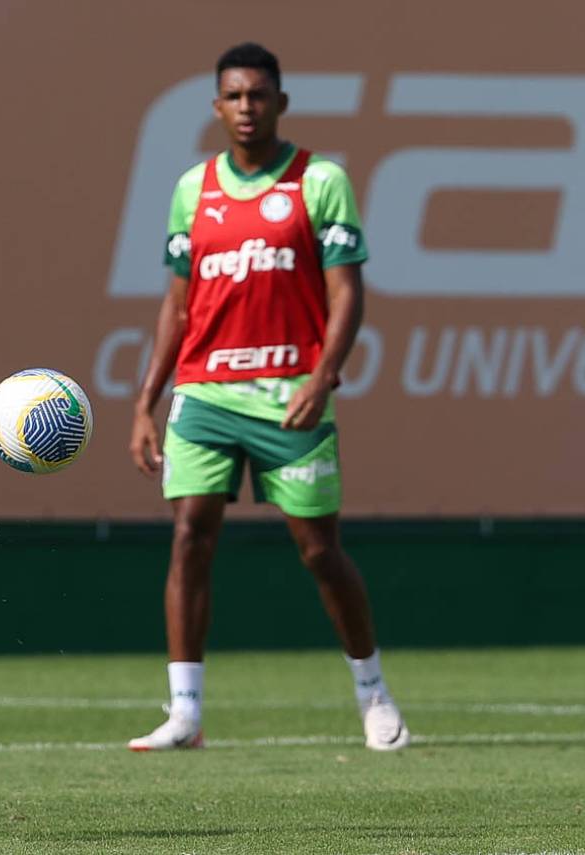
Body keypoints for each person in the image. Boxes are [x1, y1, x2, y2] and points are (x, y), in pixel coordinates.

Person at [127, 43, 409, 753]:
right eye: (234, 96)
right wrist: (145, 401)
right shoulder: (194, 188)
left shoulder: (320, 181)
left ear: (280, 102)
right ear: (217, 107)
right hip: (205, 392)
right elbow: (177, 306)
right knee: (190, 534)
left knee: (318, 550)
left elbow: (348, 293)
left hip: (291, 394)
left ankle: (372, 688)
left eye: (259, 95)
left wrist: (324, 375)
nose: (247, 108)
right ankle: (185, 711)